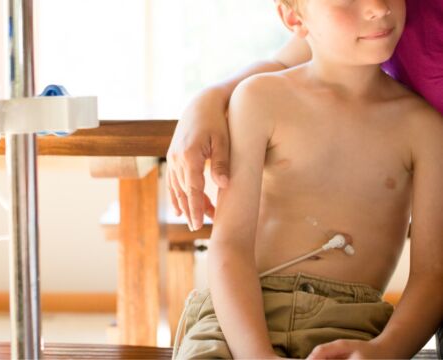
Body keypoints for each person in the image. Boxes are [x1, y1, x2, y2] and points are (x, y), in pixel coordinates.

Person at [168, 0, 443, 359]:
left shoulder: (425, 129)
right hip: (235, 318)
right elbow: (229, 245)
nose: (378, 7)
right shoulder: (257, 99)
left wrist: (385, 350)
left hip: (353, 324)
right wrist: (257, 355)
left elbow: (433, 272)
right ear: (293, 17)